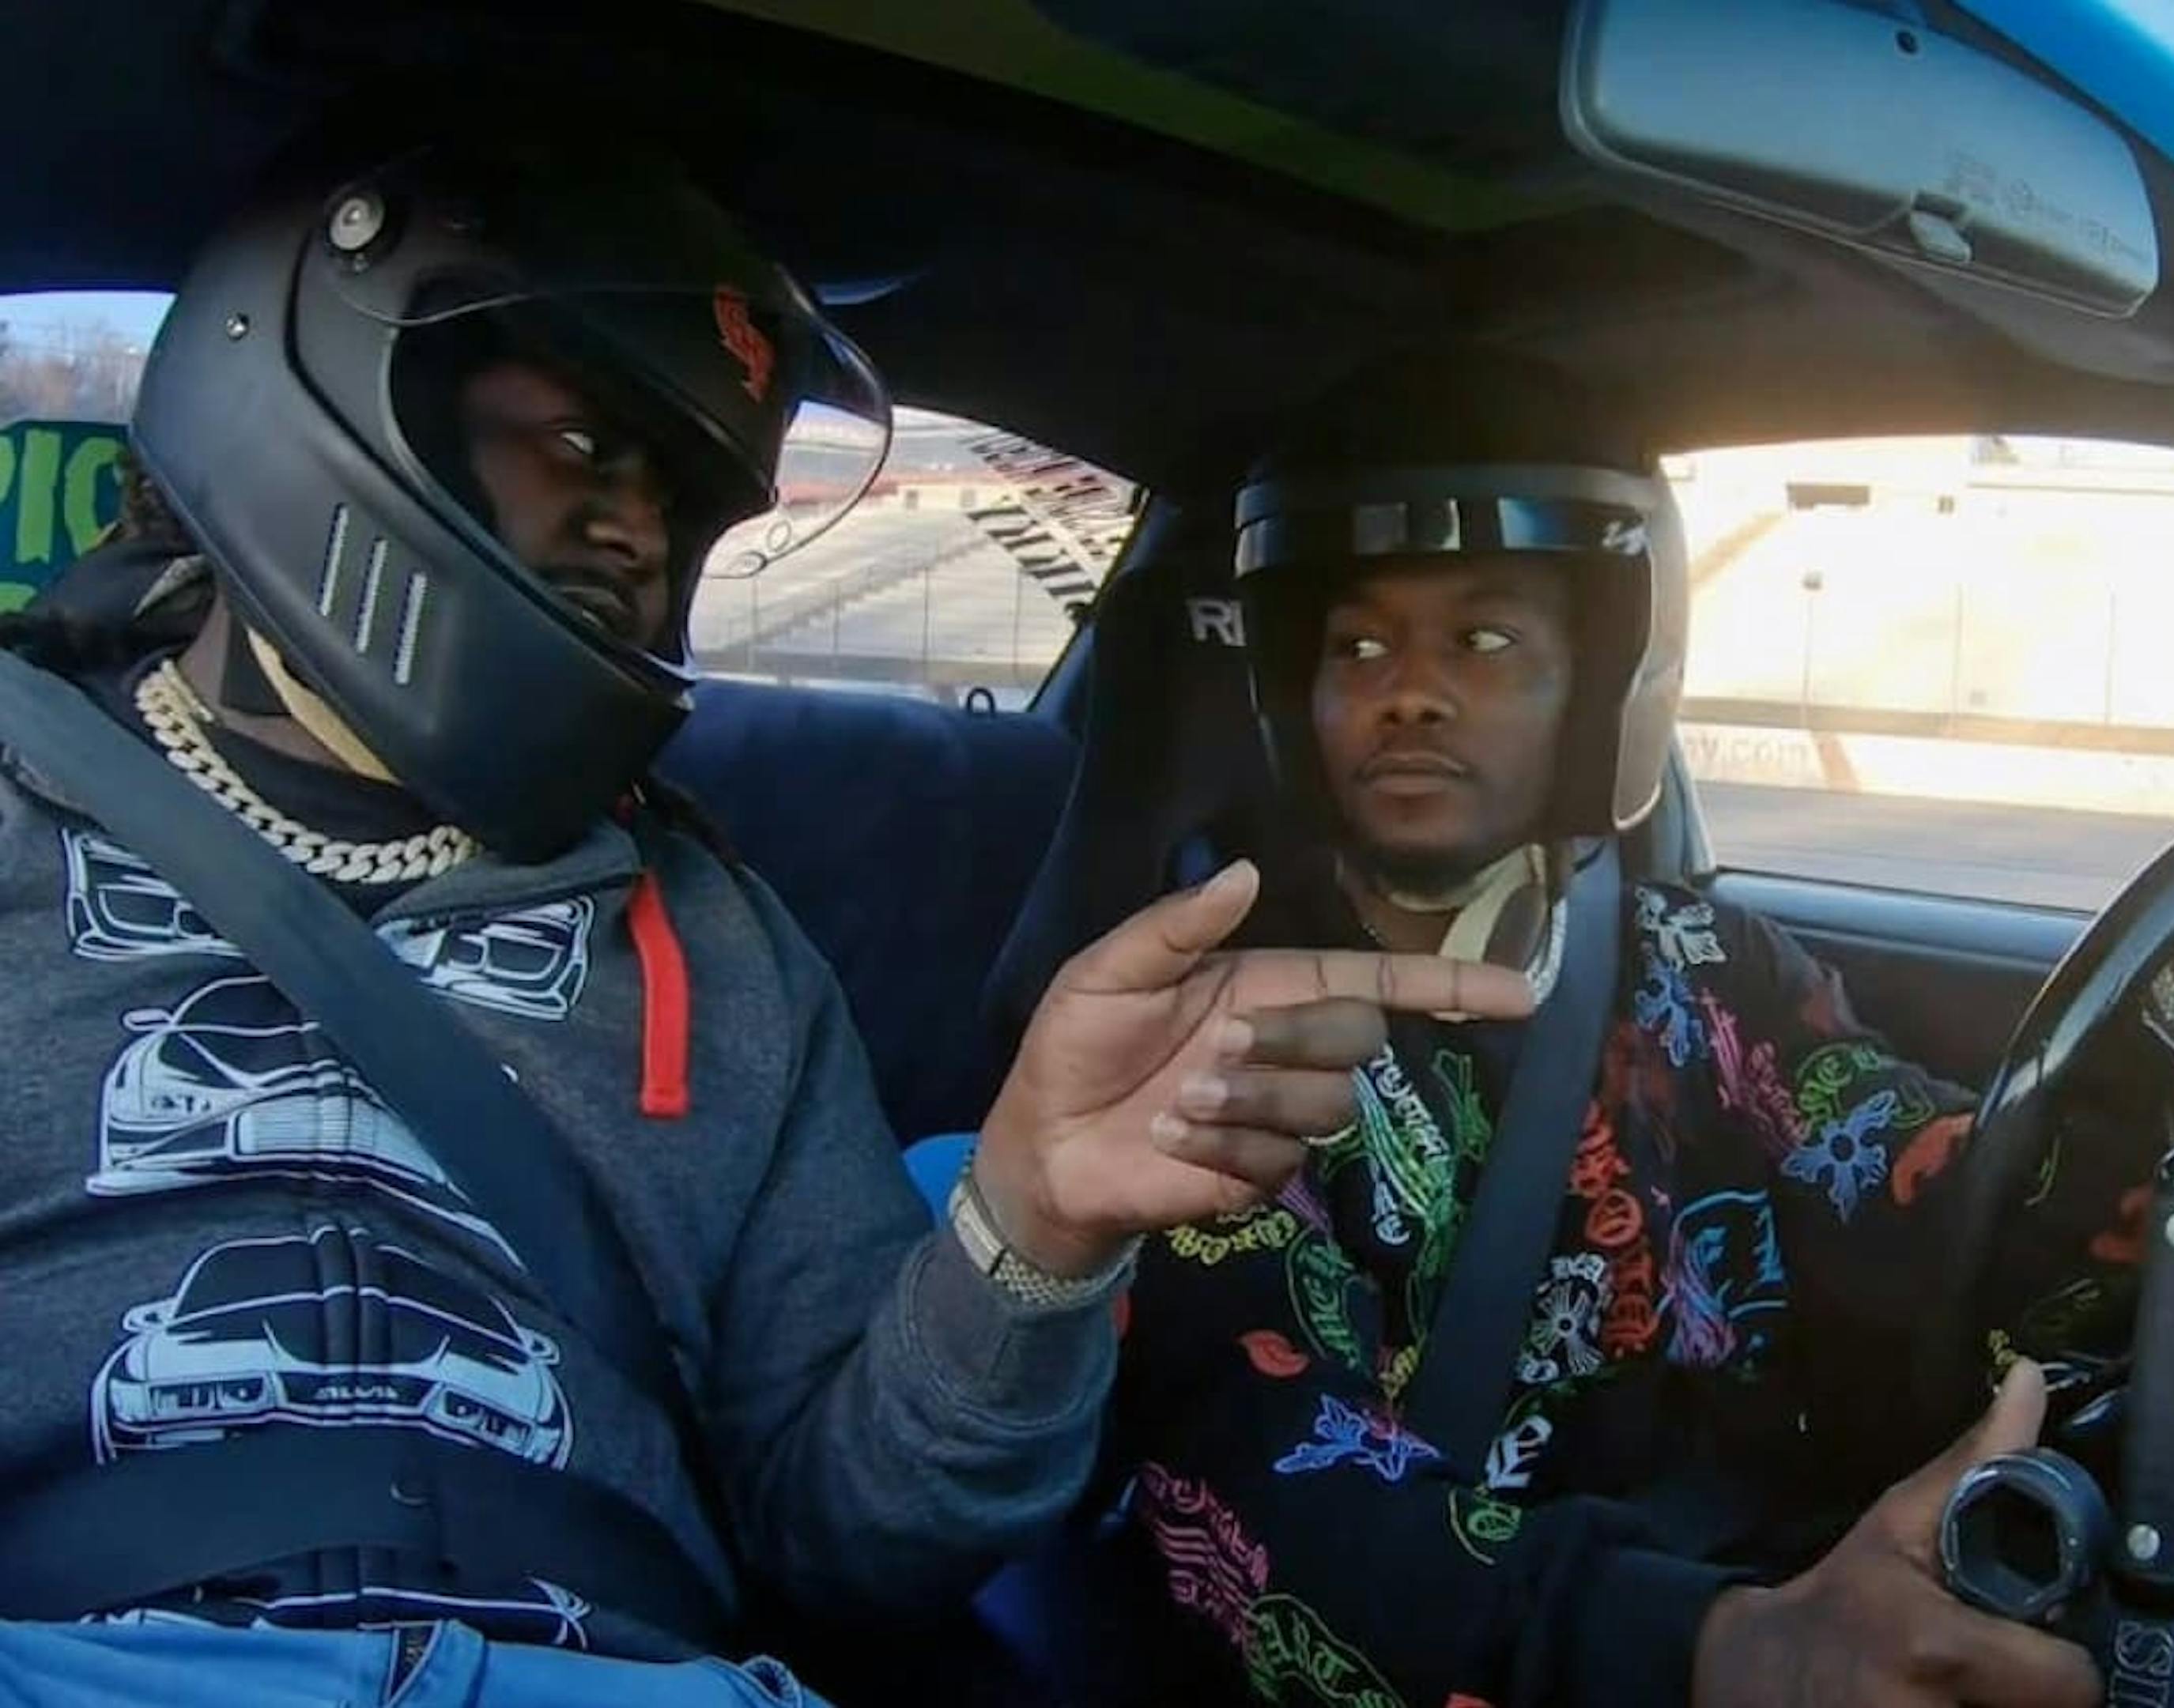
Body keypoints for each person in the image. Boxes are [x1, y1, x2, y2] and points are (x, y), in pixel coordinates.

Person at [0, 143, 1529, 1704]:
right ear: (330, 391)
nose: (637, 534)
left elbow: (856, 1540)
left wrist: (1030, 1233)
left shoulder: (722, 944)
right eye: (588, 442)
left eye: (673, 496)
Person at [1088, 351, 2174, 1707]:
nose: (1412, 692)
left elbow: (1963, 1197)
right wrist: (1719, 1648)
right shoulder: (1234, 1032)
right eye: (1359, 645)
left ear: (1602, 683)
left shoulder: (1701, 964)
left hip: (1800, 1584)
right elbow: (1250, 1480)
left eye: (1485, 641)